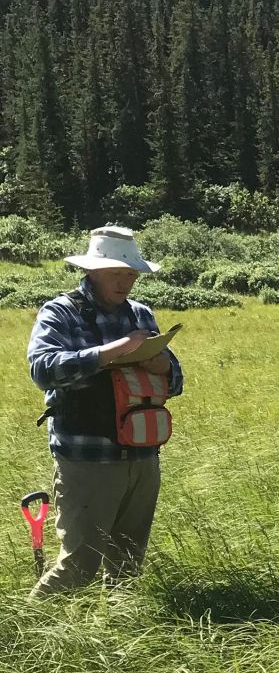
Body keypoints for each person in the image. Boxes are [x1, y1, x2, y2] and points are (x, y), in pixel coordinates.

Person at [26, 225, 183, 597]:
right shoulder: (61, 312)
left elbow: (175, 382)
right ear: (92, 270)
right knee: (79, 563)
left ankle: (117, 632)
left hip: (143, 456)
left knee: (128, 561)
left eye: (131, 273)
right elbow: (42, 369)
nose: (126, 281)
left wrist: (164, 367)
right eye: (117, 272)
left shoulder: (142, 315)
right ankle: (25, 628)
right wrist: (113, 351)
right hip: (87, 458)